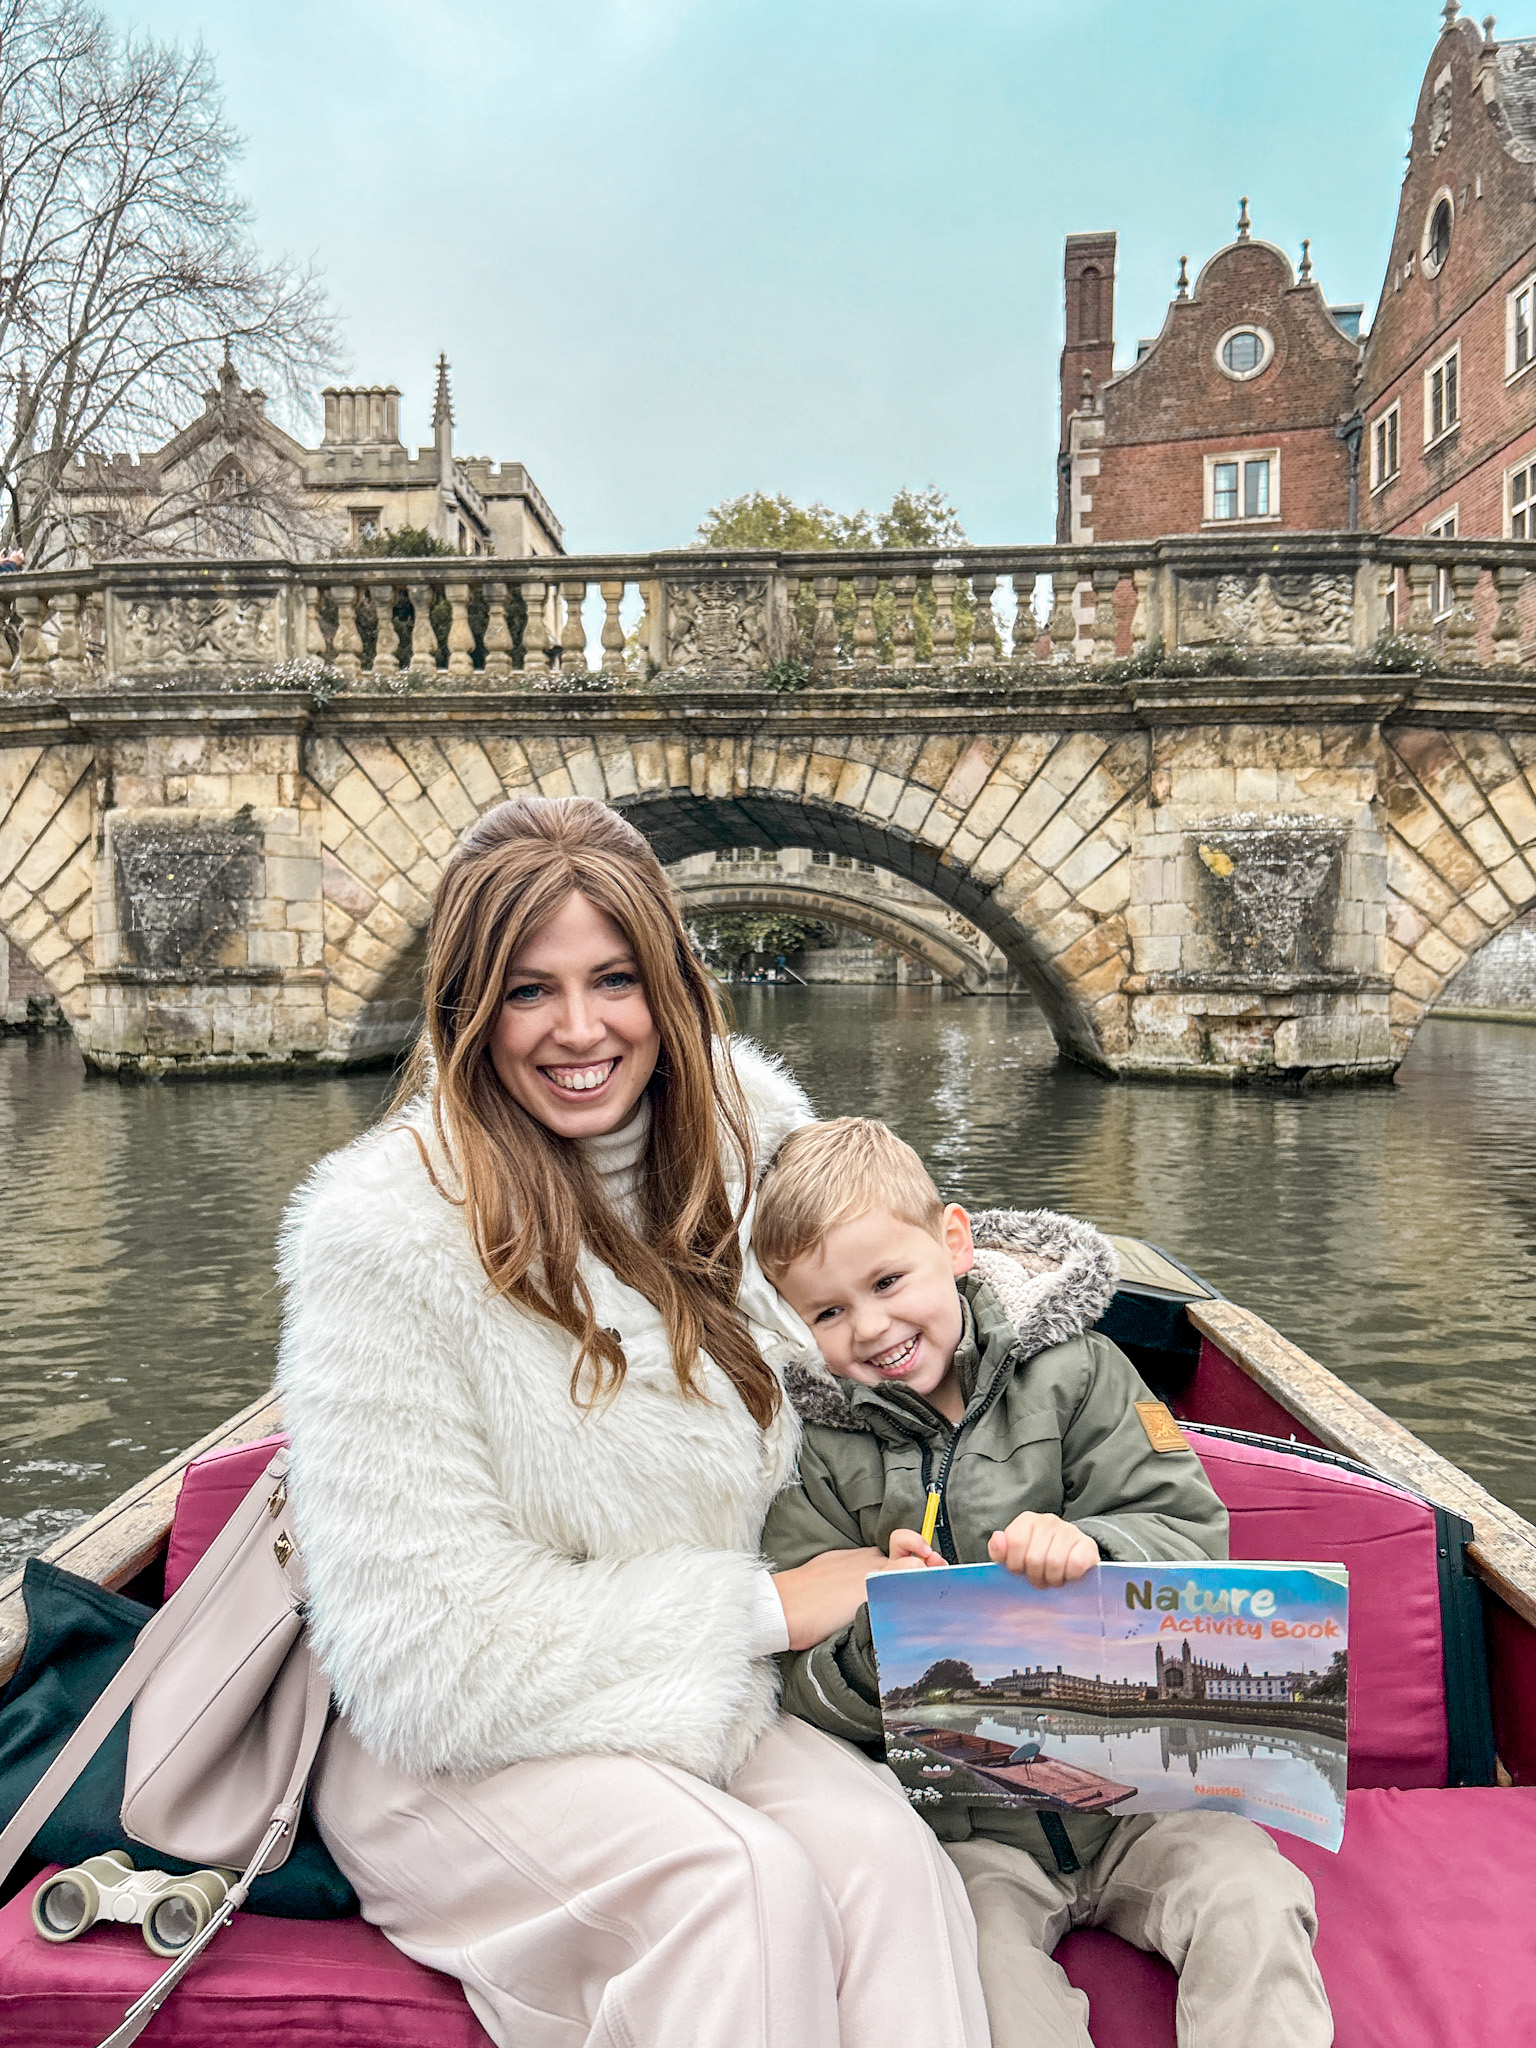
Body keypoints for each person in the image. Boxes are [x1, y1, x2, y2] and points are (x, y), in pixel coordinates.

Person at [275, 797, 989, 2048]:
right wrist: (769, 1605)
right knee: (737, 1890)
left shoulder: (748, 1133)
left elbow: (887, 1287)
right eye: (527, 990)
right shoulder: (385, 1239)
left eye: (614, 979)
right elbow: (423, 1663)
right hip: (459, 1745)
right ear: (466, 1007)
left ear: (669, 981)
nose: (580, 1029)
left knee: (886, 1858)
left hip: (704, 1692)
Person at [751, 1116, 1334, 2048]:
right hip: (970, 1833)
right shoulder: (812, 1455)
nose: (870, 1327)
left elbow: (1192, 1538)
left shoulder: (1082, 1372)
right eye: (826, 1312)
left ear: (953, 1239)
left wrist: (1092, 1545)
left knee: (1254, 1901)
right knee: (978, 1985)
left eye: (888, 1282)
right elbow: (800, 1691)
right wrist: (880, 1637)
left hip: (1153, 1799)